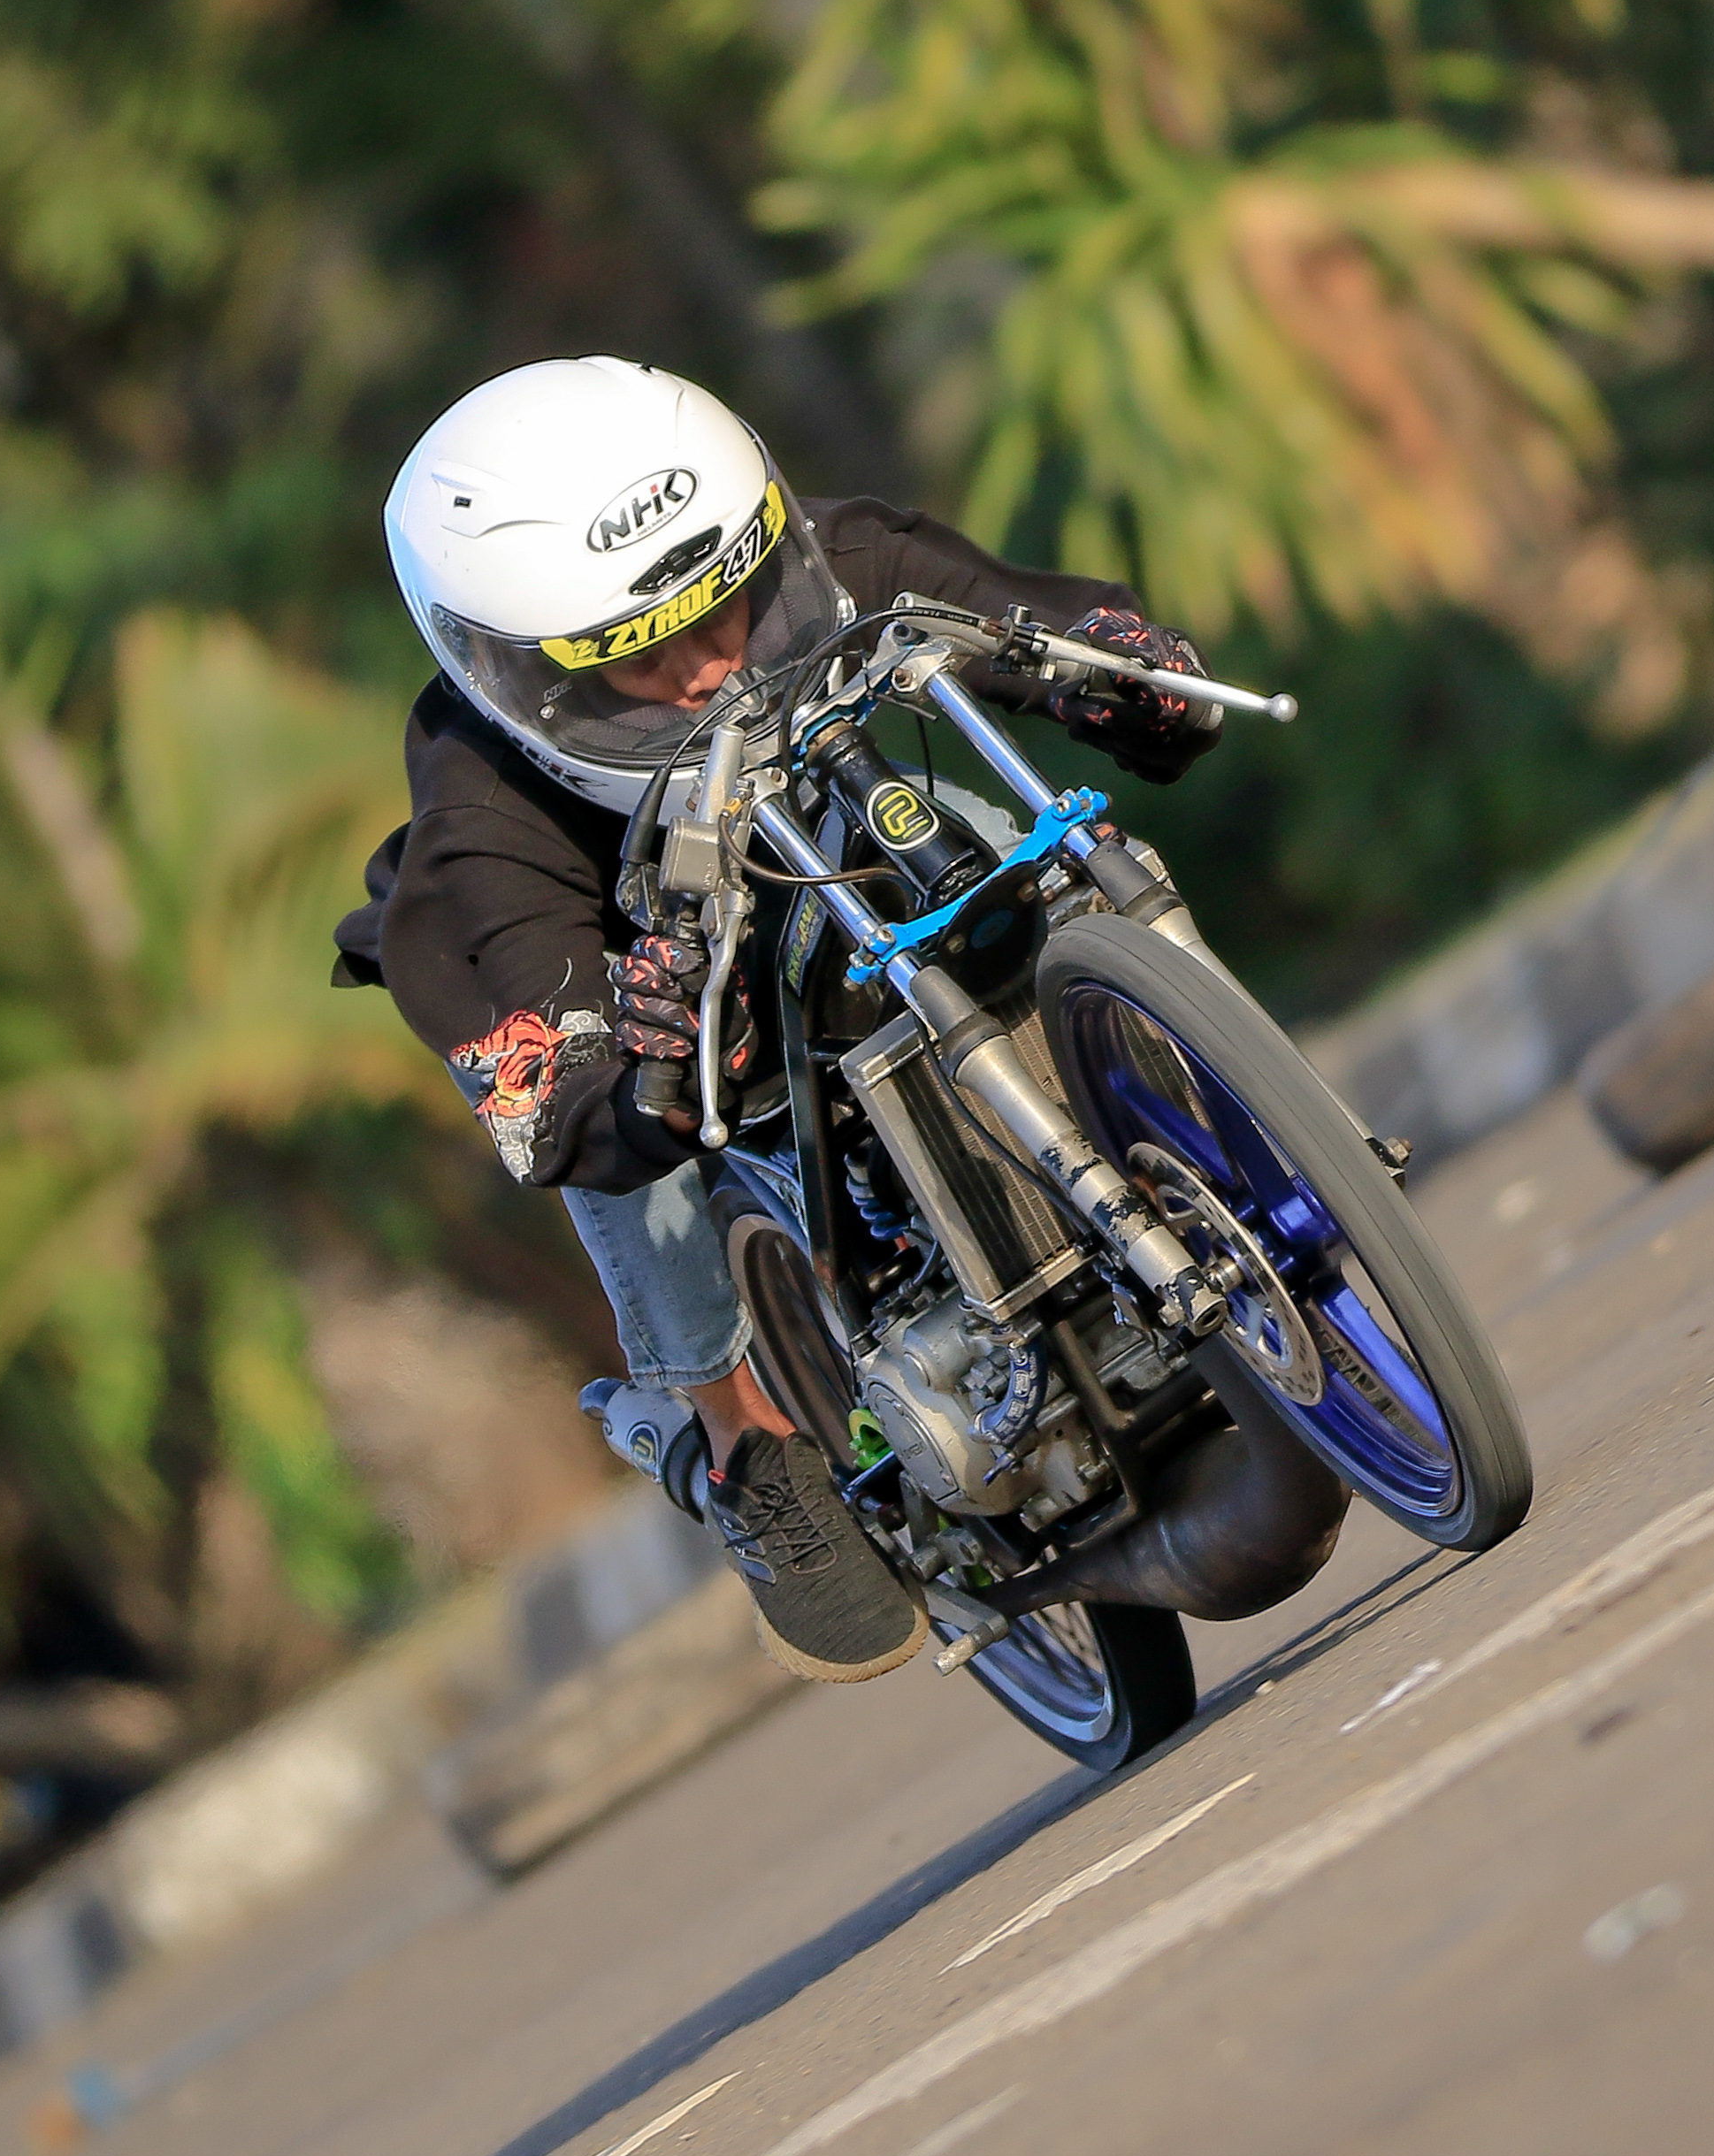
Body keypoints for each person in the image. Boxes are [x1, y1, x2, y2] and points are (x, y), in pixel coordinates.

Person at [333, 356, 1220, 1684]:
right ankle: (739, 1439)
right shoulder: (481, 828)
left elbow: (1051, 627)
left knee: (1015, 834)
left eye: (731, 606)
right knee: (619, 1149)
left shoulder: (841, 555)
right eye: (643, 655)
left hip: (838, 837)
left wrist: (1132, 677)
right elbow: (567, 1117)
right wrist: (642, 1073)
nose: (711, 667)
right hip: (630, 968)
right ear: (528, 677)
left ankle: (1202, 1120)